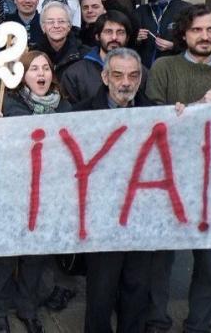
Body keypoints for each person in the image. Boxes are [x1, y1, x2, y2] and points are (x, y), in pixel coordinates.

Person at [145, 4, 211, 333]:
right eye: (196, 30)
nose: (204, 37)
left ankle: (198, 325)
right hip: (165, 182)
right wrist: (197, 109)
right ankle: (156, 322)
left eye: (210, 30)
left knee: (208, 263)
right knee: (159, 261)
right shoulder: (163, 68)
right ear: (184, 34)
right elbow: (151, 126)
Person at [73, 48, 154, 333]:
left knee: (138, 285)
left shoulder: (158, 113)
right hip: (100, 218)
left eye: (133, 75)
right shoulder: (82, 113)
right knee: (101, 290)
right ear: (105, 77)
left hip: (141, 215)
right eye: (118, 75)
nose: (125, 83)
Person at [0, 51, 73, 333]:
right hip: (13, 193)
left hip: (47, 194)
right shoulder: (9, 107)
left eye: (45, 68)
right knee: (5, 258)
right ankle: (0, 311)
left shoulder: (64, 108)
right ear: (22, 75)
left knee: (36, 255)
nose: (41, 73)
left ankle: (27, 309)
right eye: (34, 69)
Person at [60, 11, 135, 104]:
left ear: (127, 37)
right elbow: (69, 115)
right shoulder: (75, 74)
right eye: (108, 32)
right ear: (97, 36)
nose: (114, 37)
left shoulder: (139, 73)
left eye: (120, 32)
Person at [135, 0, 191, 68]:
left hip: (175, 72)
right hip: (145, 73)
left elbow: (195, 43)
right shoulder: (140, 11)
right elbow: (128, 45)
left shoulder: (186, 10)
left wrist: (173, 46)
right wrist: (136, 39)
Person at [36, 2, 86, 79]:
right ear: (43, 27)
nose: (56, 26)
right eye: (50, 22)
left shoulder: (85, 56)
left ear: (69, 26)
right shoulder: (34, 55)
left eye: (61, 21)